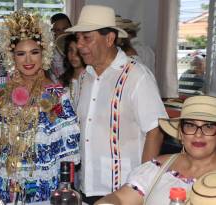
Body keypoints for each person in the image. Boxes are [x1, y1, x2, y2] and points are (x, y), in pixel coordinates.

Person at [0, 10, 80, 204]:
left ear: (44, 53)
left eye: (34, 52)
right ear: (11, 56)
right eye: (21, 53)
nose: (28, 60)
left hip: (42, 195)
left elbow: (66, 160)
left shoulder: (58, 96)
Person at [65, 5, 167, 204]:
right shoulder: (85, 77)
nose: (80, 45)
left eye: (86, 38)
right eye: (78, 38)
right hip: (86, 186)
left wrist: (141, 187)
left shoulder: (137, 76)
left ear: (109, 39)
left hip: (123, 191)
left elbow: (156, 131)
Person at [95, 95, 216, 205]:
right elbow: (121, 198)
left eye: (209, 127)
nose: (198, 134)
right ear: (181, 134)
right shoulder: (159, 167)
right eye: (190, 125)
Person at [56, 33, 86, 106]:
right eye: (70, 50)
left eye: (78, 51)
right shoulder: (62, 80)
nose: (73, 55)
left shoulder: (91, 78)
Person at [50, 13, 72, 81]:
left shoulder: (80, 49)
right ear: (52, 32)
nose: (62, 33)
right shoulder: (47, 53)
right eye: (57, 30)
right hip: (54, 90)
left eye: (65, 29)